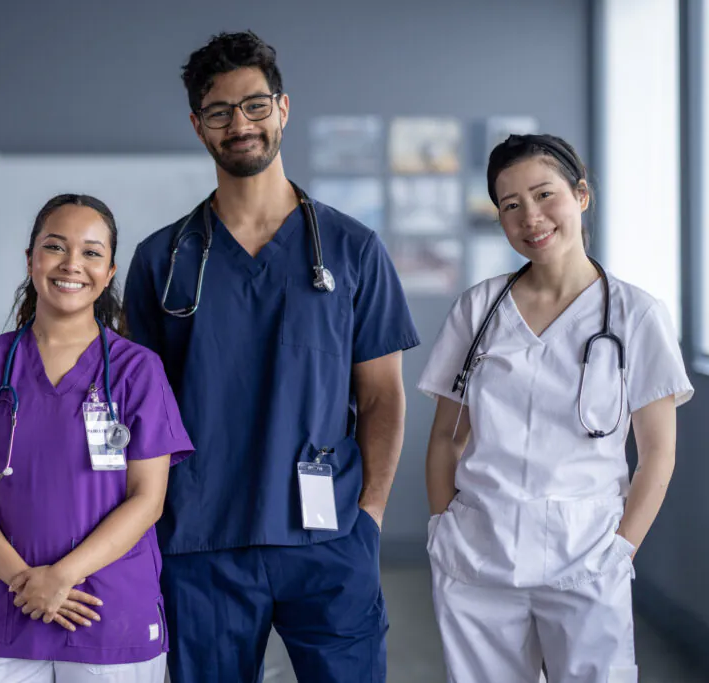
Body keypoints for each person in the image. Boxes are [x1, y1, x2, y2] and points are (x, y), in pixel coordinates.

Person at [124, 31, 419, 683]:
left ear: (284, 109)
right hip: (202, 541)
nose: (241, 124)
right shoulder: (162, 260)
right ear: (198, 125)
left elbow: (382, 396)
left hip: (327, 537)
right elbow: (139, 415)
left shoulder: (352, 249)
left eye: (255, 105)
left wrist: (367, 519)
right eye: (221, 111)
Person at [419, 134, 694, 683]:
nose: (531, 217)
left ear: (581, 195)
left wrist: (620, 552)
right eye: (511, 205)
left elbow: (657, 454)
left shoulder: (637, 315)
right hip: (479, 549)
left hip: (586, 554)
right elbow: (447, 436)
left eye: (545, 195)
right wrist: (442, 524)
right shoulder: (478, 308)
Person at [0, 194, 193, 683]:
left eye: (92, 252)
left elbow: (147, 499)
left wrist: (60, 578)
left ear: (110, 272)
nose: (73, 264)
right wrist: (26, 583)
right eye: (55, 247)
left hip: (108, 612)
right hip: (4, 610)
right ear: (30, 260)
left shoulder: (138, 371)